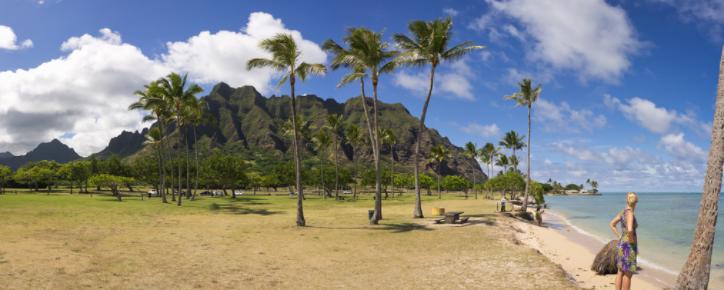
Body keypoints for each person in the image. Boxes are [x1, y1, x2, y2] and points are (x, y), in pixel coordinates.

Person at [609, 192, 638, 290]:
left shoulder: (623, 211)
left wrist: (620, 236)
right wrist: (632, 241)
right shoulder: (629, 212)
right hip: (628, 246)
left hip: (622, 244)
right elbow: (630, 229)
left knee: (620, 271)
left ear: (627, 200)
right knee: (628, 274)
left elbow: (612, 224)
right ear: (636, 202)